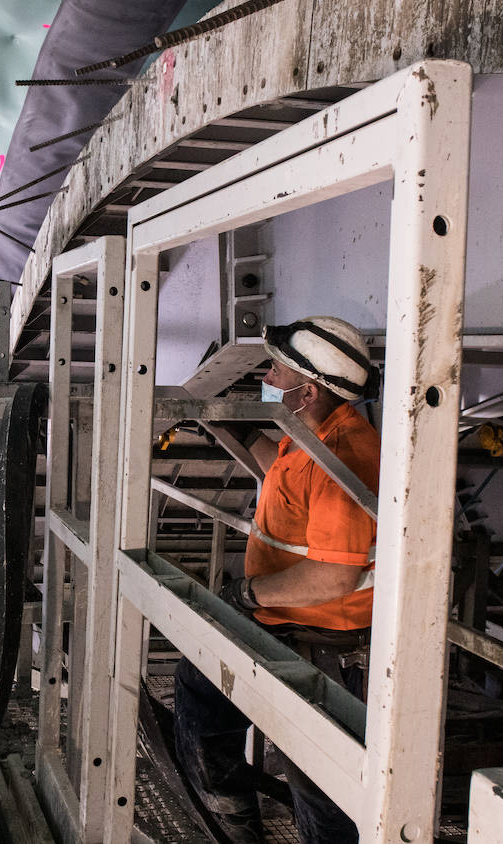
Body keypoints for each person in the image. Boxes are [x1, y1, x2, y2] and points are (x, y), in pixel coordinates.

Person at [173, 316, 380, 843]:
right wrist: (229, 427)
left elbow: (333, 577)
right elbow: (280, 476)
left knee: (320, 786)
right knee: (202, 693)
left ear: (305, 391)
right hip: (285, 622)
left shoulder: (345, 457)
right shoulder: (310, 435)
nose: (267, 374)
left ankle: (236, 820)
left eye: (277, 370)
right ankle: (233, 822)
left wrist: (244, 595)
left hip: (321, 641)